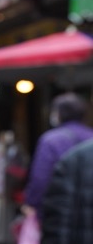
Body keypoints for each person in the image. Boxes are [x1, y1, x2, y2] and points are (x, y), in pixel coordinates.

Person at [22, 92, 93, 222]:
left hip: (59, 208)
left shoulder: (50, 140)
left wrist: (32, 203)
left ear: (58, 113)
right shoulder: (90, 137)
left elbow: (41, 178)